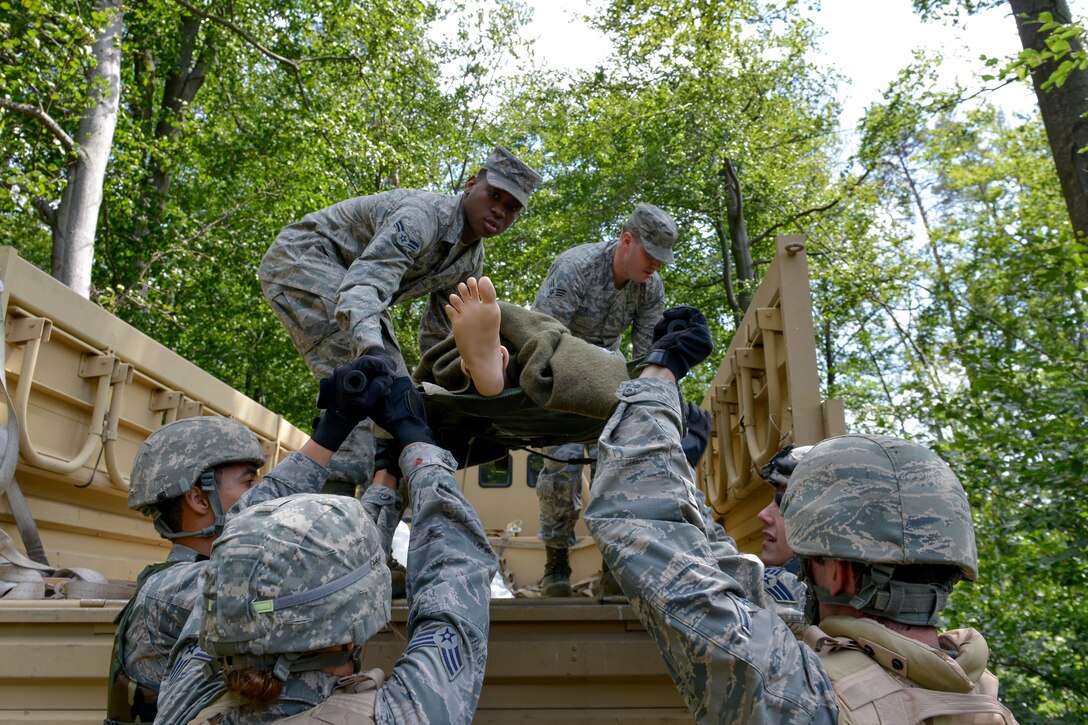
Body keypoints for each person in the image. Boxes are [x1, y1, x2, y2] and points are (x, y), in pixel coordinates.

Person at [583, 307, 1017, 723]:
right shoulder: (976, 692)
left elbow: (638, 512)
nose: (768, 518)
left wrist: (660, 371)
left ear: (837, 575)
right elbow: (739, 585)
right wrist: (684, 479)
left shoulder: (799, 695)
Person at [153, 355, 498, 724]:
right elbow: (455, 581)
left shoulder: (185, 704)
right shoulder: (399, 716)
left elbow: (237, 560)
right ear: (350, 635)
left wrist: (334, 431)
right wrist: (417, 441)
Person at [258, 145, 542, 497]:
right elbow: (363, 287)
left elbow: (438, 338)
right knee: (366, 385)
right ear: (471, 185)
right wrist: (372, 349)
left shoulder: (469, 262)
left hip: (353, 287)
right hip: (304, 262)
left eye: (512, 207)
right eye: (494, 196)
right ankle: (329, 522)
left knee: (403, 401)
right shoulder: (421, 217)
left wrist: (438, 393)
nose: (499, 210)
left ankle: (375, 521)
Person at [105, 382, 377, 725]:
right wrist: (330, 434)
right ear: (199, 499)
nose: (263, 496)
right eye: (250, 483)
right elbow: (311, 569)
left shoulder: (189, 581)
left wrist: (385, 477)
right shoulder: (171, 589)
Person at [530, 202, 678, 596]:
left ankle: (615, 564)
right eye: (651, 256)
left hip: (611, 381)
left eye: (663, 260)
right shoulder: (574, 267)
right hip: (560, 378)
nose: (656, 267)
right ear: (626, 241)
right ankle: (556, 564)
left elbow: (646, 354)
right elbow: (540, 338)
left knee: (618, 467)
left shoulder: (650, 287)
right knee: (560, 470)